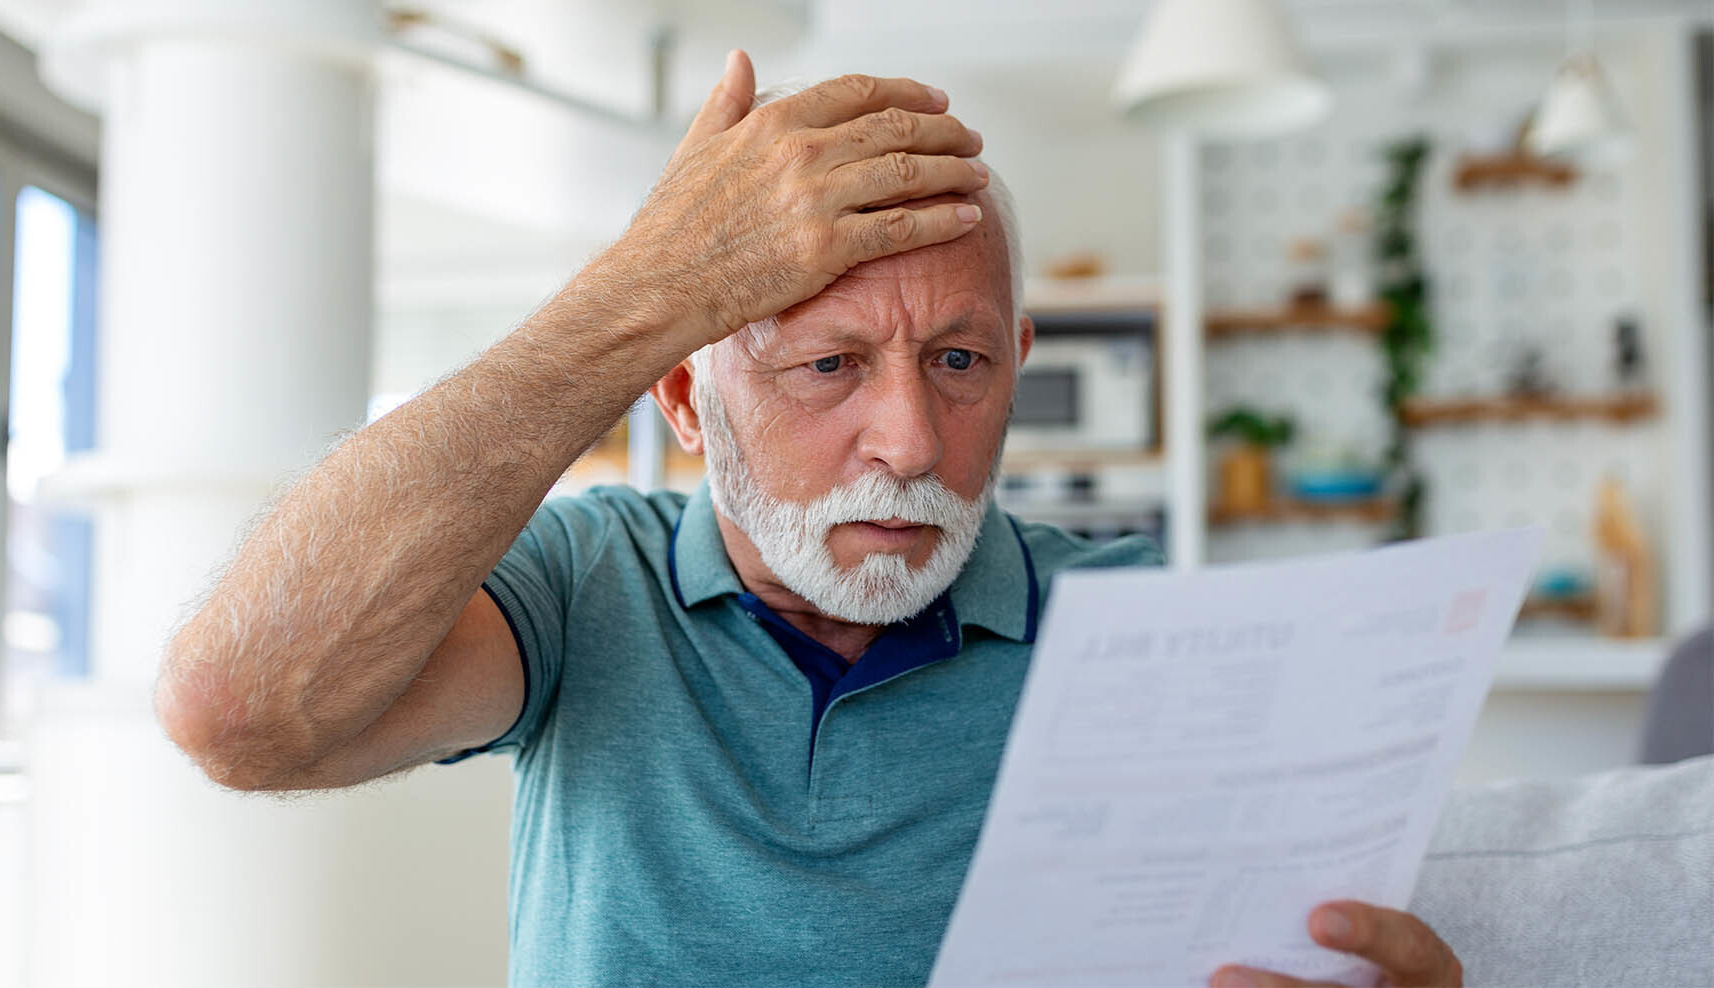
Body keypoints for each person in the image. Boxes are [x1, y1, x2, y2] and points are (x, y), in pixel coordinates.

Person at [155, 50, 1464, 988]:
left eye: (959, 362)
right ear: (682, 391)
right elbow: (239, 710)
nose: (908, 442)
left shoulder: (1141, 629)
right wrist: (646, 288)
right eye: (830, 366)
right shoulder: (582, 588)